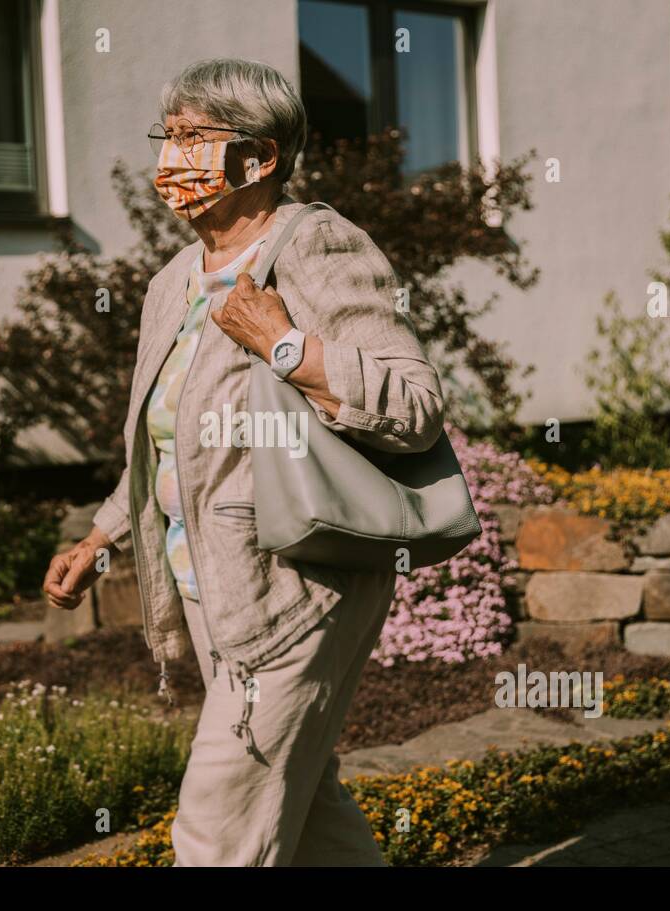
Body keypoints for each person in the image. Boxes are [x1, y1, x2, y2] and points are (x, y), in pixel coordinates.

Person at [43, 57, 446, 866]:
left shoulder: (316, 245)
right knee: (306, 808)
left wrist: (287, 345)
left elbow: (415, 407)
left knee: (219, 824)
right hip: (211, 583)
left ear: (257, 159)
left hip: (300, 580)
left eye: (194, 137)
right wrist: (101, 536)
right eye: (169, 135)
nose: (172, 156)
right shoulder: (172, 283)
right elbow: (170, 441)